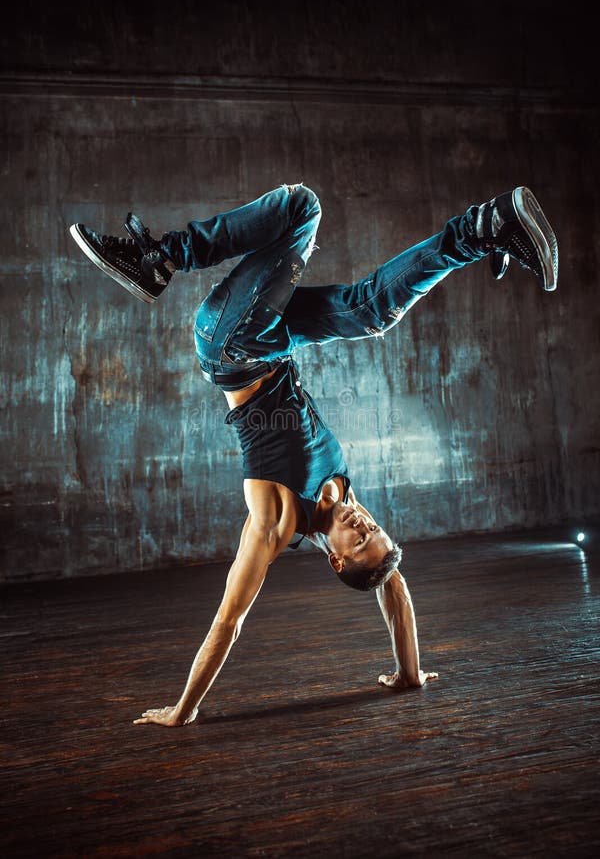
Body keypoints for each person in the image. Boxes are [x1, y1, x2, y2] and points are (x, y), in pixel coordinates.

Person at [69, 182, 558, 726]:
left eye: (359, 536)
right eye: (375, 527)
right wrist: (409, 674)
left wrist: (183, 710)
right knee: (371, 311)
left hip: (234, 346)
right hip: (276, 341)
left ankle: (157, 259)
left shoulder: (276, 519)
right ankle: (484, 232)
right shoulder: (346, 500)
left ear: (336, 557)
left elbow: (228, 621)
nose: (363, 522)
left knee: (301, 207)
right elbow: (392, 588)